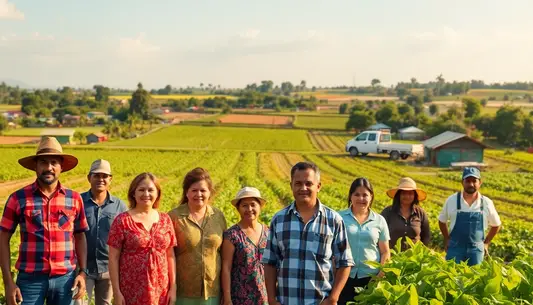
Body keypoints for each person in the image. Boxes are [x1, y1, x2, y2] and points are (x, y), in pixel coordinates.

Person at [0, 136, 89, 305]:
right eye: (43, 162)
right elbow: (3, 238)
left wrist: (82, 272)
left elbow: (80, 236)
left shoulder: (74, 198)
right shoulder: (18, 198)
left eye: (54, 162)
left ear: (61, 167)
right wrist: (8, 281)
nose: (49, 167)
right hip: (30, 279)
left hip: (66, 279)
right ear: (35, 166)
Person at [261, 161, 354, 305]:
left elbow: (345, 262)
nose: (303, 188)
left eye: (308, 183)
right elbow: (270, 262)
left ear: (318, 186)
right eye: (298, 183)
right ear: (291, 185)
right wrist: (272, 299)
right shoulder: (279, 219)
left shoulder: (333, 220)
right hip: (287, 301)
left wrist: (333, 298)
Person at [107, 172, 177, 305]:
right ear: (133, 193)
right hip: (131, 289)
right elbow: (113, 258)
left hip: (161, 289)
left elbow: (170, 255)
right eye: (141, 190)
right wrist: (116, 292)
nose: (146, 194)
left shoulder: (165, 220)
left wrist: (173, 288)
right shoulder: (122, 221)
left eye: (151, 190)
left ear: (157, 193)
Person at [168, 167, 227, 305]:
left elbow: (223, 253)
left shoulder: (218, 216)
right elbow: (168, 255)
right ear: (186, 193)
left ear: (210, 193)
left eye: (203, 190)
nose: (198, 194)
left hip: (213, 290)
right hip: (183, 292)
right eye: (194, 190)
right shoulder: (174, 217)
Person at [76, 159, 128, 305]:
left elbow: (125, 237)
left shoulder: (119, 206)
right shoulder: (78, 201)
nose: (101, 179)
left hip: (109, 268)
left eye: (104, 176)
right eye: (96, 175)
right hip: (83, 268)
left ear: (110, 179)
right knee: (79, 303)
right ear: (89, 178)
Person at [338, 178, 391, 305]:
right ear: (350, 196)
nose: (361, 198)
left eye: (365, 195)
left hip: (371, 277)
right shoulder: (339, 217)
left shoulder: (379, 220)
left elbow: (385, 252)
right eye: (357, 194)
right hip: (344, 276)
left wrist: (380, 275)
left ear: (371, 197)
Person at [439, 167, 502, 266]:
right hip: (455, 248)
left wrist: (486, 243)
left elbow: (496, 225)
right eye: (467, 181)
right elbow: (442, 221)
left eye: (474, 181)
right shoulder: (451, 200)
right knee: (451, 277)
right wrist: (447, 239)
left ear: (480, 183)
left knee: (475, 278)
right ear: (462, 182)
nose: (471, 184)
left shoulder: (486, 203)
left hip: (476, 250)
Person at [221, 187, 269, 305]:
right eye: (244, 205)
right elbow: (226, 267)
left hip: (265, 296)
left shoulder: (268, 232)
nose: (249, 209)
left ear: (260, 206)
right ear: (238, 208)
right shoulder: (232, 235)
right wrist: (227, 298)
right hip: (240, 297)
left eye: (253, 204)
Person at [381, 177, 430, 251]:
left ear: (414, 196)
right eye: (404, 193)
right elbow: (380, 234)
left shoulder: (420, 213)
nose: (407, 196)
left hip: (413, 258)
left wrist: (423, 252)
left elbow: (426, 236)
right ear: (399, 195)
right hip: (392, 256)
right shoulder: (388, 212)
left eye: (410, 193)